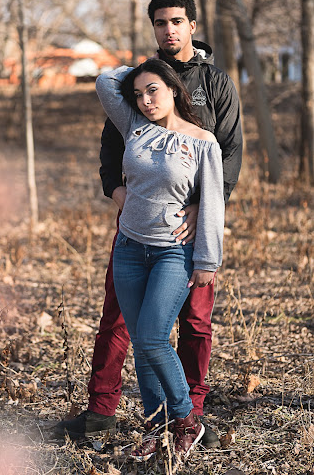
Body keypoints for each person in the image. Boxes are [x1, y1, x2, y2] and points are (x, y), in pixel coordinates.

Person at [55, 0, 242, 448]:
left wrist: (204, 207)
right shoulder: (138, 89)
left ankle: (190, 414)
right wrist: (115, 189)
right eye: (160, 22)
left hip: (185, 229)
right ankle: (104, 411)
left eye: (176, 21)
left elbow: (229, 152)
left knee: (193, 323)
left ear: (192, 25)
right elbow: (111, 143)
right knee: (119, 322)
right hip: (134, 228)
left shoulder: (215, 83)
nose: (168, 30)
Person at [94, 58, 224, 460]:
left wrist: (207, 260)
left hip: (173, 252)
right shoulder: (135, 126)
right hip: (129, 249)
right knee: (142, 344)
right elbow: (105, 80)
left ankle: (187, 420)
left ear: (173, 89)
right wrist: (142, 71)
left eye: (153, 90)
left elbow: (213, 203)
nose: (145, 100)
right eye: (138, 95)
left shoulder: (203, 141)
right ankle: (159, 428)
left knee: (152, 337)